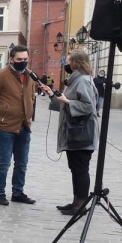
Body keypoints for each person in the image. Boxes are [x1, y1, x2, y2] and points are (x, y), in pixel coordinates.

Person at [41, 50, 99, 215]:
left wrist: (67, 101)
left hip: (82, 133)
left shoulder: (82, 81)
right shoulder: (75, 80)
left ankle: (81, 206)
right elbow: (67, 103)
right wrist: (52, 95)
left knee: (80, 169)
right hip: (75, 132)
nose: (66, 64)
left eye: (68, 61)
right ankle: (76, 202)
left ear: (76, 63)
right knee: (75, 168)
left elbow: (88, 106)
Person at [0, 45, 37, 206]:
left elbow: (31, 97)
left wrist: (29, 115)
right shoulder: (0, 75)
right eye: (19, 59)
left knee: (22, 163)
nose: (23, 62)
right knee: (4, 162)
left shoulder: (30, 76)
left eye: (25, 59)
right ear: (11, 59)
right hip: (4, 127)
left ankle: (18, 192)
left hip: (24, 126)